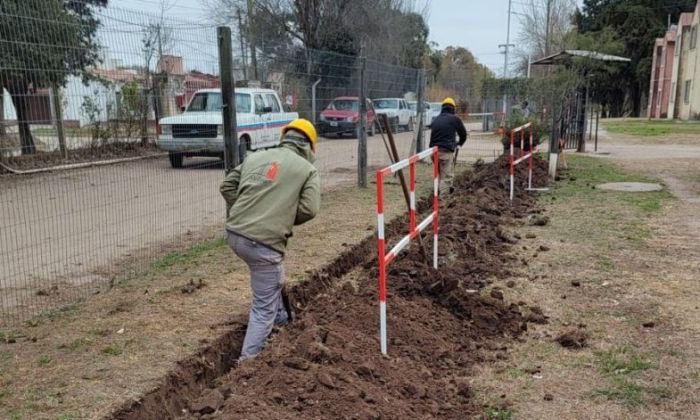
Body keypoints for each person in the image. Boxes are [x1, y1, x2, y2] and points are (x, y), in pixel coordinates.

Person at [220, 118, 321, 362]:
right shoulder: (307, 170)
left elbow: (227, 186)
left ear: (284, 137)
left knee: (272, 278)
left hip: (236, 235)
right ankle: (248, 361)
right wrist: (279, 215)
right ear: (309, 147)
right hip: (262, 244)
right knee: (262, 305)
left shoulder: (256, 156)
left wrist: (246, 210)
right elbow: (309, 209)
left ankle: (282, 319)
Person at [429, 97, 468, 195]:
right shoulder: (455, 119)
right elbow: (463, 134)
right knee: (446, 177)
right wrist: (459, 144)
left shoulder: (436, 119)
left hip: (433, 152)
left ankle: (437, 192)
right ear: (453, 108)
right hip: (445, 151)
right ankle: (443, 201)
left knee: (439, 173)